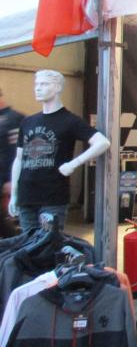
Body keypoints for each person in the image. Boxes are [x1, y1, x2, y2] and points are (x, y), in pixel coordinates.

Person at [9, 70, 110, 231]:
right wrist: (14, 194)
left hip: (53, 196)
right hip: (26, 195)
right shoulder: (28, 122)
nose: (38, 88)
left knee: (49, 242)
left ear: (57, 87)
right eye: (36, 84)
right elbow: (19, 159)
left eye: (44, 84)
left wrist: (73, 164)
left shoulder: (70, 121)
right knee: (28, 242)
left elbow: (102, 142)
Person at [0, 89, 24, 237]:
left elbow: (17, 152)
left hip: (5, 178)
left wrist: (11, 180)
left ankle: (16, 243)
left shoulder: (14, 119)